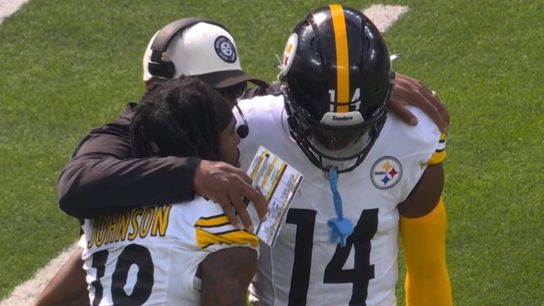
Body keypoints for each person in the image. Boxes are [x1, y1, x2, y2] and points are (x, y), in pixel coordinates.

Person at [35, 15, 450, 306]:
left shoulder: (106, 224)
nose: (233, 109)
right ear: (162, 91)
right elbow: (78, 184)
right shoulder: (216, 217)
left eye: (233, 93)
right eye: (216, 96)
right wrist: (194, 172)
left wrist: (355, 90)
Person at [236, 5, 452, 305]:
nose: (338, 142)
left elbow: (427, 271)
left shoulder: (411, 136)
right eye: (324, 131)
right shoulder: (249, 130)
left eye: (355, 130)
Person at [80, 76, 258, 305]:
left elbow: (52, 302)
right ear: (205, 141)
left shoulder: (102, 221)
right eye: (231, 132)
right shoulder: (221, 222)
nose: (238, 139)